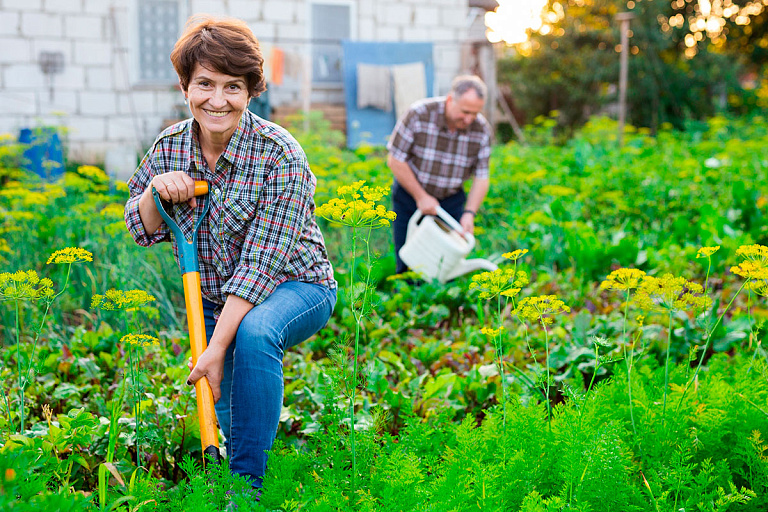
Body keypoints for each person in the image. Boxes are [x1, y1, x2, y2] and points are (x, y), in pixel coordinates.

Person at [124, 15, 337, 492]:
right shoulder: (169, 147)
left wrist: (215, 347)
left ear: (250, 91)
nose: (216, 100)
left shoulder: (280, 154)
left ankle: (247, 492)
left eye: (232, 87)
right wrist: (154, 191)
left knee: (256, 332)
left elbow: (262, 265)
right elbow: (140, 226)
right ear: (185, 87)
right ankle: (245, 462)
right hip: (218, 302)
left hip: (298, 285)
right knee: (235, 417)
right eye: (204, 84)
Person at [387, 75, 492, 274]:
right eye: (465, 112)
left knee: (446, 261)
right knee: (408, 260)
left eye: (475, 113)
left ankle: (439, 297)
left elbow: (481, 177)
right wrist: (421, 197)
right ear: (451, 99)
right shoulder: (419, 114)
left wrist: (469, 213)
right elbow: (395, 160)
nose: (469, 119)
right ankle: (406, 297)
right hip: (410, 196)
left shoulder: (481, 130)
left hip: (450, 201)